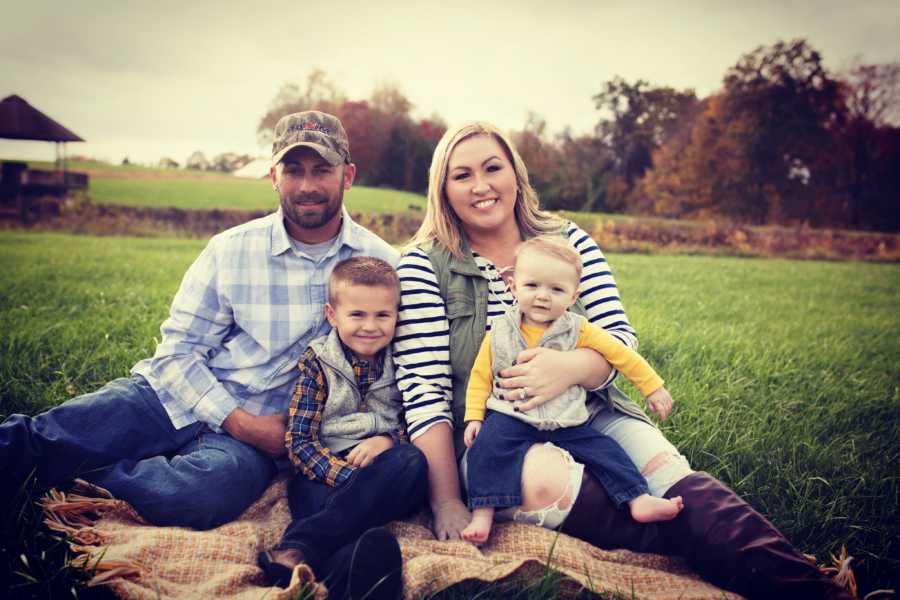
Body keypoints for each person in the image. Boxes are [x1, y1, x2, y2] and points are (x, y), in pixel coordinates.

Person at [392, 121, 852, 599]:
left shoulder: (569, 239)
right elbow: (425, 389)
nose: (481, 185)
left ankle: (818, 591)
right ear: (442, 188)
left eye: (493, 168)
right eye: (461, 175)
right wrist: (446, 500)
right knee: (548, 479)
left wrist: (567, 368)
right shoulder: (425, 264)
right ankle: (689, 541)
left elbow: (618, 340)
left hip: (589, 414)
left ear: (516, 174)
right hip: (497, 435)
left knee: (670, 475)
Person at [0, 110, 398, 532]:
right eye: (293, 170)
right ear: (274, 176)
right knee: (43, 437)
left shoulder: (380, 266)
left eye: (322, 170)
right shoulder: (231, 250)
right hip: (173, 395)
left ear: (348, 176)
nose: (307, 185)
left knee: (197, 497)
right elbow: (178, 352)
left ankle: (89, 476)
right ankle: (65, 456)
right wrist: (240, 421)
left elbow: (399, 373)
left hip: (254, 445)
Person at [460, 235, 683, 545]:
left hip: (566, 417)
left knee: (606, 451)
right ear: (512, 285)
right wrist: (474, 417)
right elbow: (480, 376)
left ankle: (637, 499)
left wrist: (653, 387)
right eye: (532, 285)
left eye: (556, 289)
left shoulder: (579, 329)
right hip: (510, 415)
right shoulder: (499, 331)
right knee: (487, 448)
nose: (542, 296)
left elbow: (623, 356)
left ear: (573, 295)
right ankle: (482, 512)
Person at [256, 257, 428, 599]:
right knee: (350, 517)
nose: (370, 326)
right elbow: (300, 441)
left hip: (387, 470)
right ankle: (350, 570)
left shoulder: (404, 360)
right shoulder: (318, 363)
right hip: (322, 476)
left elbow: (418, 419)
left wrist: (387, 441)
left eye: (383, 315)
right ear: (332, 315)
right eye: (357, 315)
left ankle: (298, 548)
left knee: (412, 461)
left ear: (397, 316)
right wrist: (352, 480)